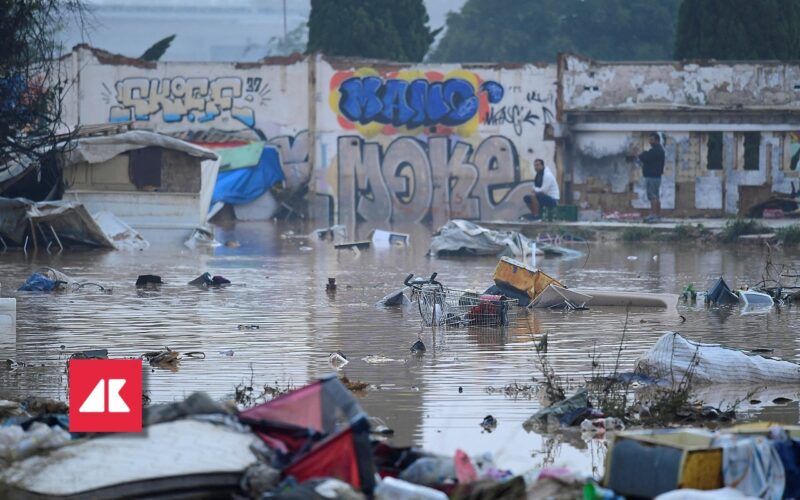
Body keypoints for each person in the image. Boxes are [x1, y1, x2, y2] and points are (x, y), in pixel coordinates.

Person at [637, 132, 665, 221]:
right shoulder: (659, 150)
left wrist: (641, 154)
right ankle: (658, 214)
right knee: (656, 196)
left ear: (656, 140)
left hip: (652, 177)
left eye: (651, 140)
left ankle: (653, 214)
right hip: (656, 177)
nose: (650, 142)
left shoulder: (655, 150)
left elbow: (644, 157)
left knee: (652, 196)